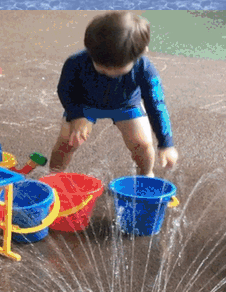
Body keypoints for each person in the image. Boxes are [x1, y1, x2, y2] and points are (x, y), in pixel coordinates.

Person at [50, 11, 178, 176]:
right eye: (101, 67)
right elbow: (65, 90)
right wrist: (77, 115)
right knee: (68, 141)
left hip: (126, 105)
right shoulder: (76, 62)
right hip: (84, 104)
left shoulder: (145, 70)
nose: (109, 73)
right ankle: (54, 176)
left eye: (117, 70)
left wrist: (166, 144)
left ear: (141, 53)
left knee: (143, 144)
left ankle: (145, 176)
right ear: (89, 49)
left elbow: (157, 105)